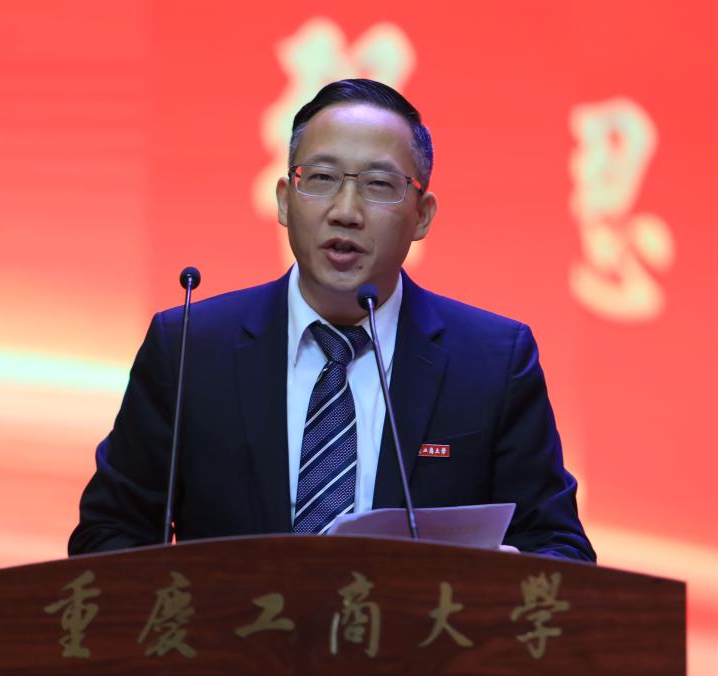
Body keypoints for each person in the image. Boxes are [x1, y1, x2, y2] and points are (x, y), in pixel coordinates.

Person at [68, 79, 594, 562]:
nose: (345, 210)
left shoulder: (493, 361)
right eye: (321, 179)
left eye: (379, 185)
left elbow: (559, 548)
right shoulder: (190, 348)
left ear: (423, 215)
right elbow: (108, 535)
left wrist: (491, 587)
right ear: (284, 200)